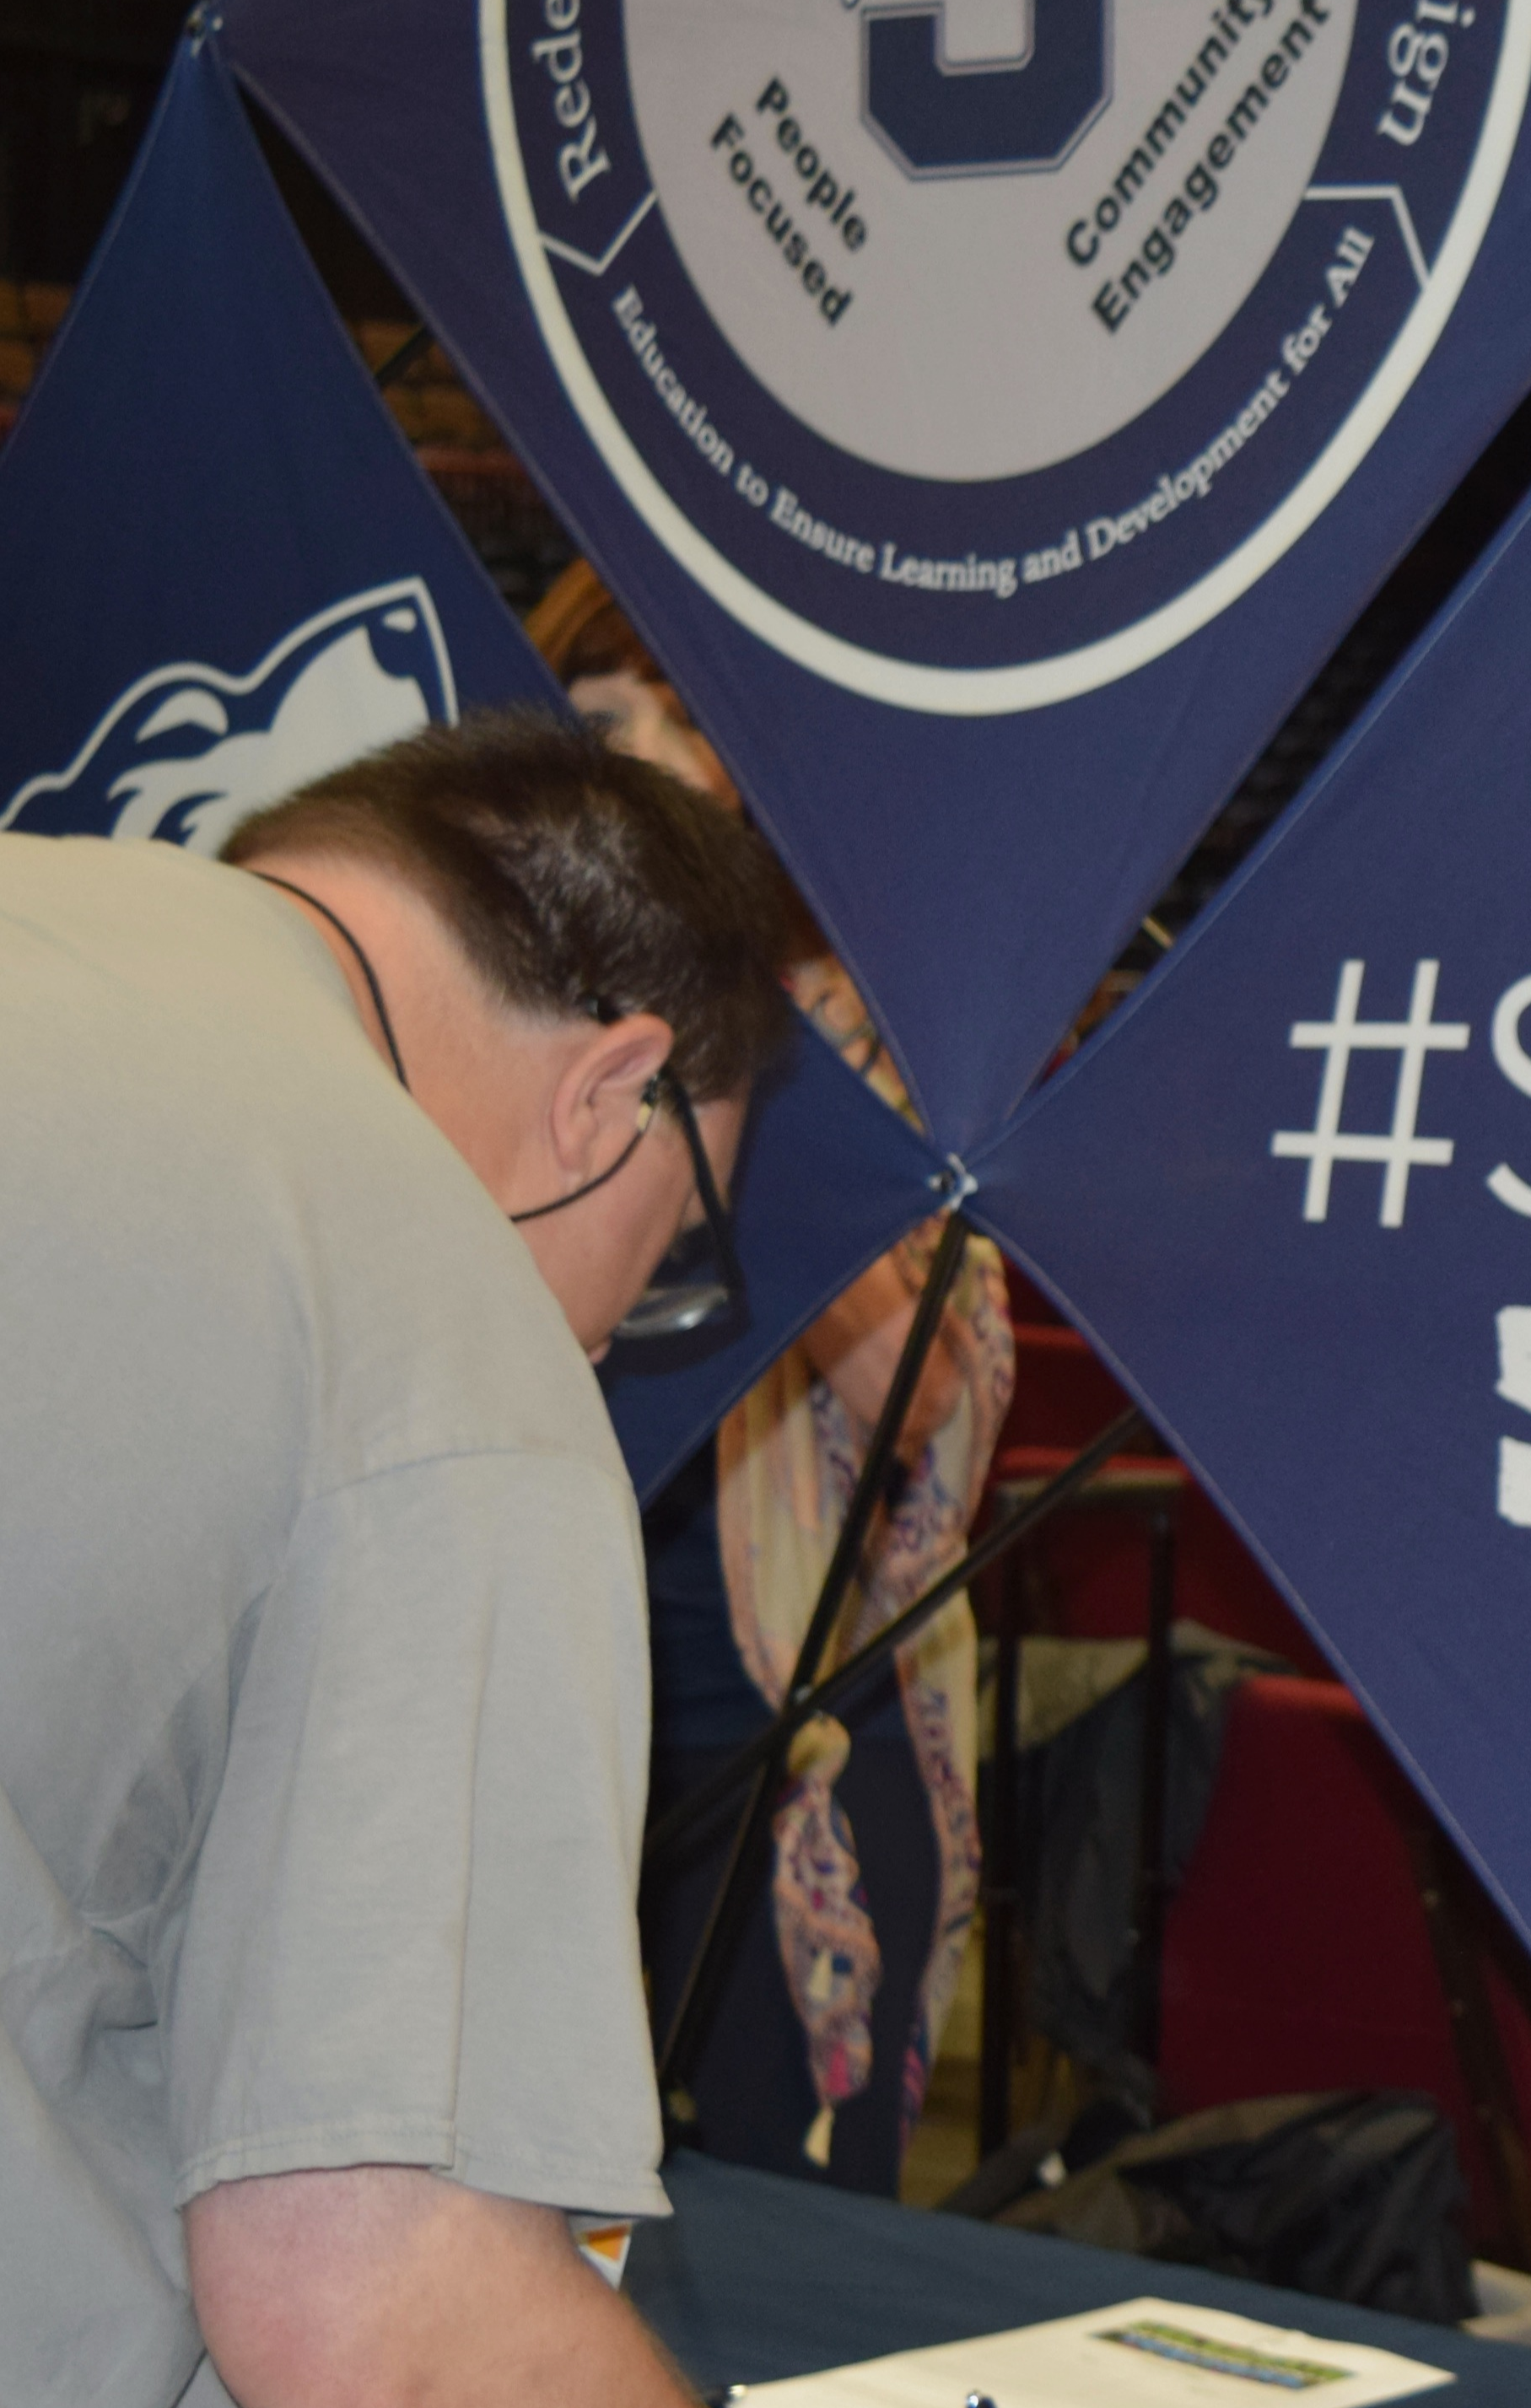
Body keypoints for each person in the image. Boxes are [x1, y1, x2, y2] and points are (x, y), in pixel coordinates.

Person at [0, 714, 791, 2404]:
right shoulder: (425, 1312)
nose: (603, 1348)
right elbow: (390, 2317)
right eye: (668, 1258)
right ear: (609, 1097)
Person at [524, 562, 1018, 2195]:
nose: (638, 783)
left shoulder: (865, 1041)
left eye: (681, 744)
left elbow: (924, 1408)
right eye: (601, 732)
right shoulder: (511, 1042)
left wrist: (756, 1073)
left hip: (789, 1720)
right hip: (550, 1700)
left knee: (775, 2224)